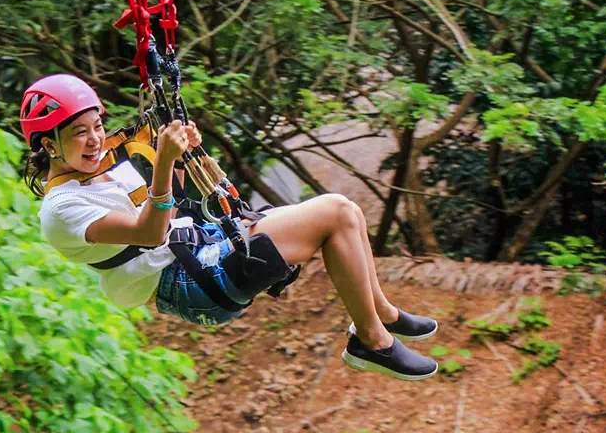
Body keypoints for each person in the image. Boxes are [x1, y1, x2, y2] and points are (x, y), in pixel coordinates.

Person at [23, 74, 439, 381]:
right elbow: (149, 233)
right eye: (80, 133)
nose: (95, 139)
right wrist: (165, 160)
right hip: (189, 282)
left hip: (199, 251)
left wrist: (186, 156)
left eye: (97, 126)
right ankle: (371, 341)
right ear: (48, 144)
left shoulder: (103, 172)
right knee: (337, 214)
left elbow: (173, 206)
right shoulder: (62, 209)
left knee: (348, 211)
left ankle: (380, 314)